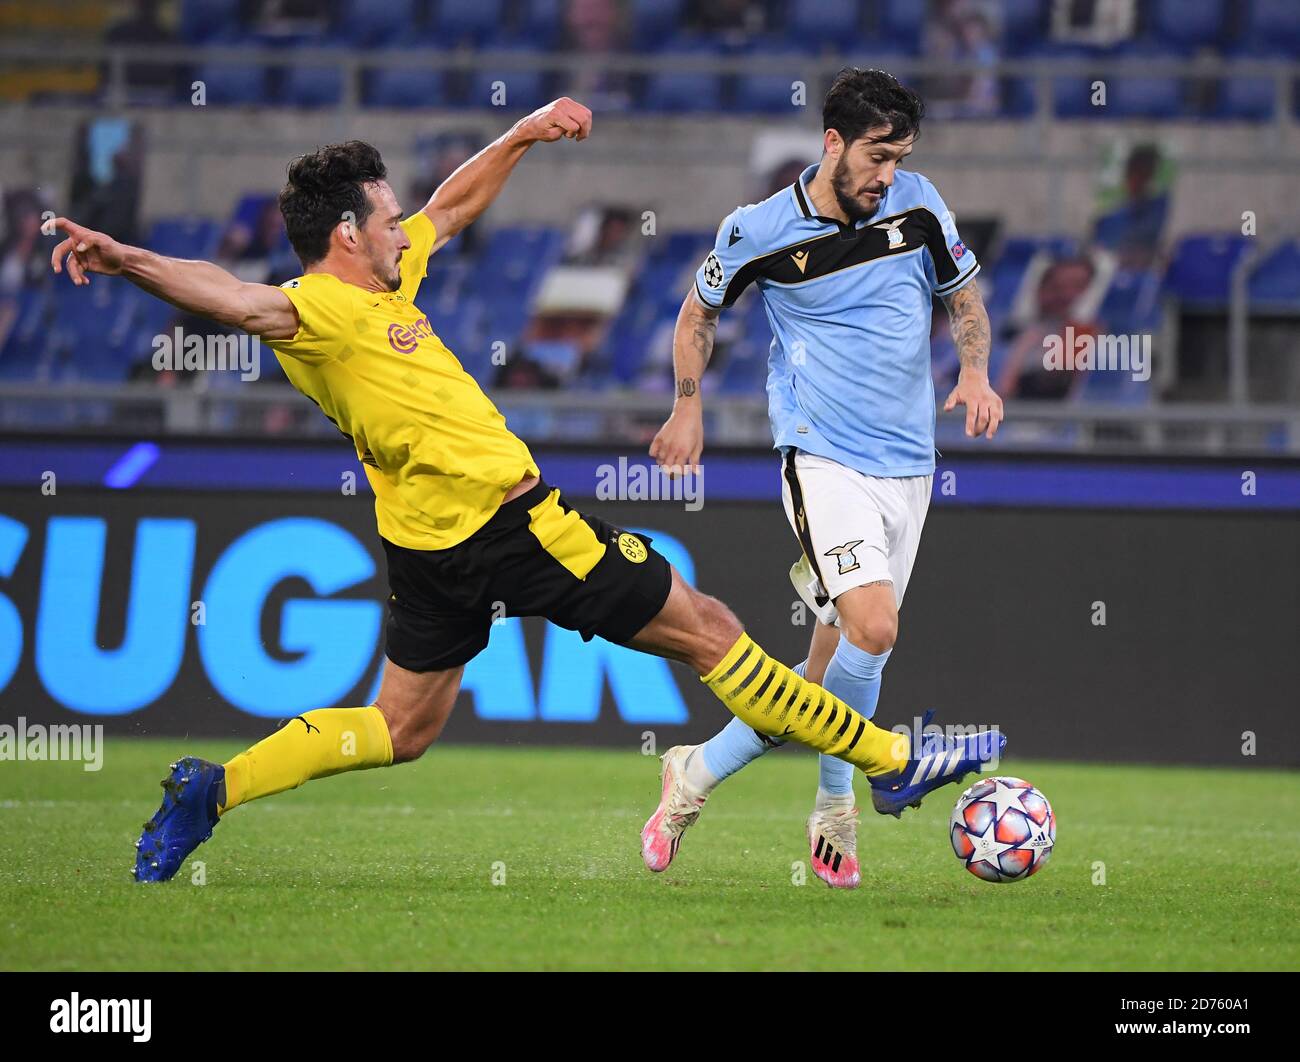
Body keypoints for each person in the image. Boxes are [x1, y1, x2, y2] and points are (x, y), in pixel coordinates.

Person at [47, 97, 1002, 884]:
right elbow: (226, 294)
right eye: (386, 218)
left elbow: (451, 210)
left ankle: (211, 790)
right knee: (710, 630)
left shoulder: (384, 282)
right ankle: (891, 761)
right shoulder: (317, 309)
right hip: (517, 525)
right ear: (345, 234)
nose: (402, 227)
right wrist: (125, 257)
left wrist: (519, 136)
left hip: (424, 547)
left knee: (401, 728)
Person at [645, 69, 1004, 888]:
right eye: (877, 155)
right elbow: (698, 315)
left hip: (910, 463)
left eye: (900, 156)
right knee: (874, 628)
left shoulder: (918, 205)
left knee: (825, 674)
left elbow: (965, 298)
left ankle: (695, 772)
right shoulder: (758, 229)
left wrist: (976, 375)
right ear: (833, 143)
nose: (888, 173)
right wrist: (688, 406)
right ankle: (842, 798)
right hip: (821, 457)